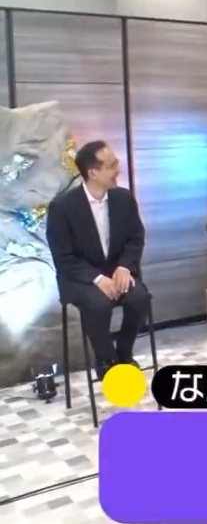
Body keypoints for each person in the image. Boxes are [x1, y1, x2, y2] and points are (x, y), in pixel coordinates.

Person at [46, 140, 151, 379]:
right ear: (92, 172)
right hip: (80, 278)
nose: (117, 170)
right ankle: (106, 359)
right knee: (98, 304)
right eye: (111, 166)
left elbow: (136, 238)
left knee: (139, 298)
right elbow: (63, 257)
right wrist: (97, 279)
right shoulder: (62, 207)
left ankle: (124, 354)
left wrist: (125, 266)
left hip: (116, 271)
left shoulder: (123, 198)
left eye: (116, 163)